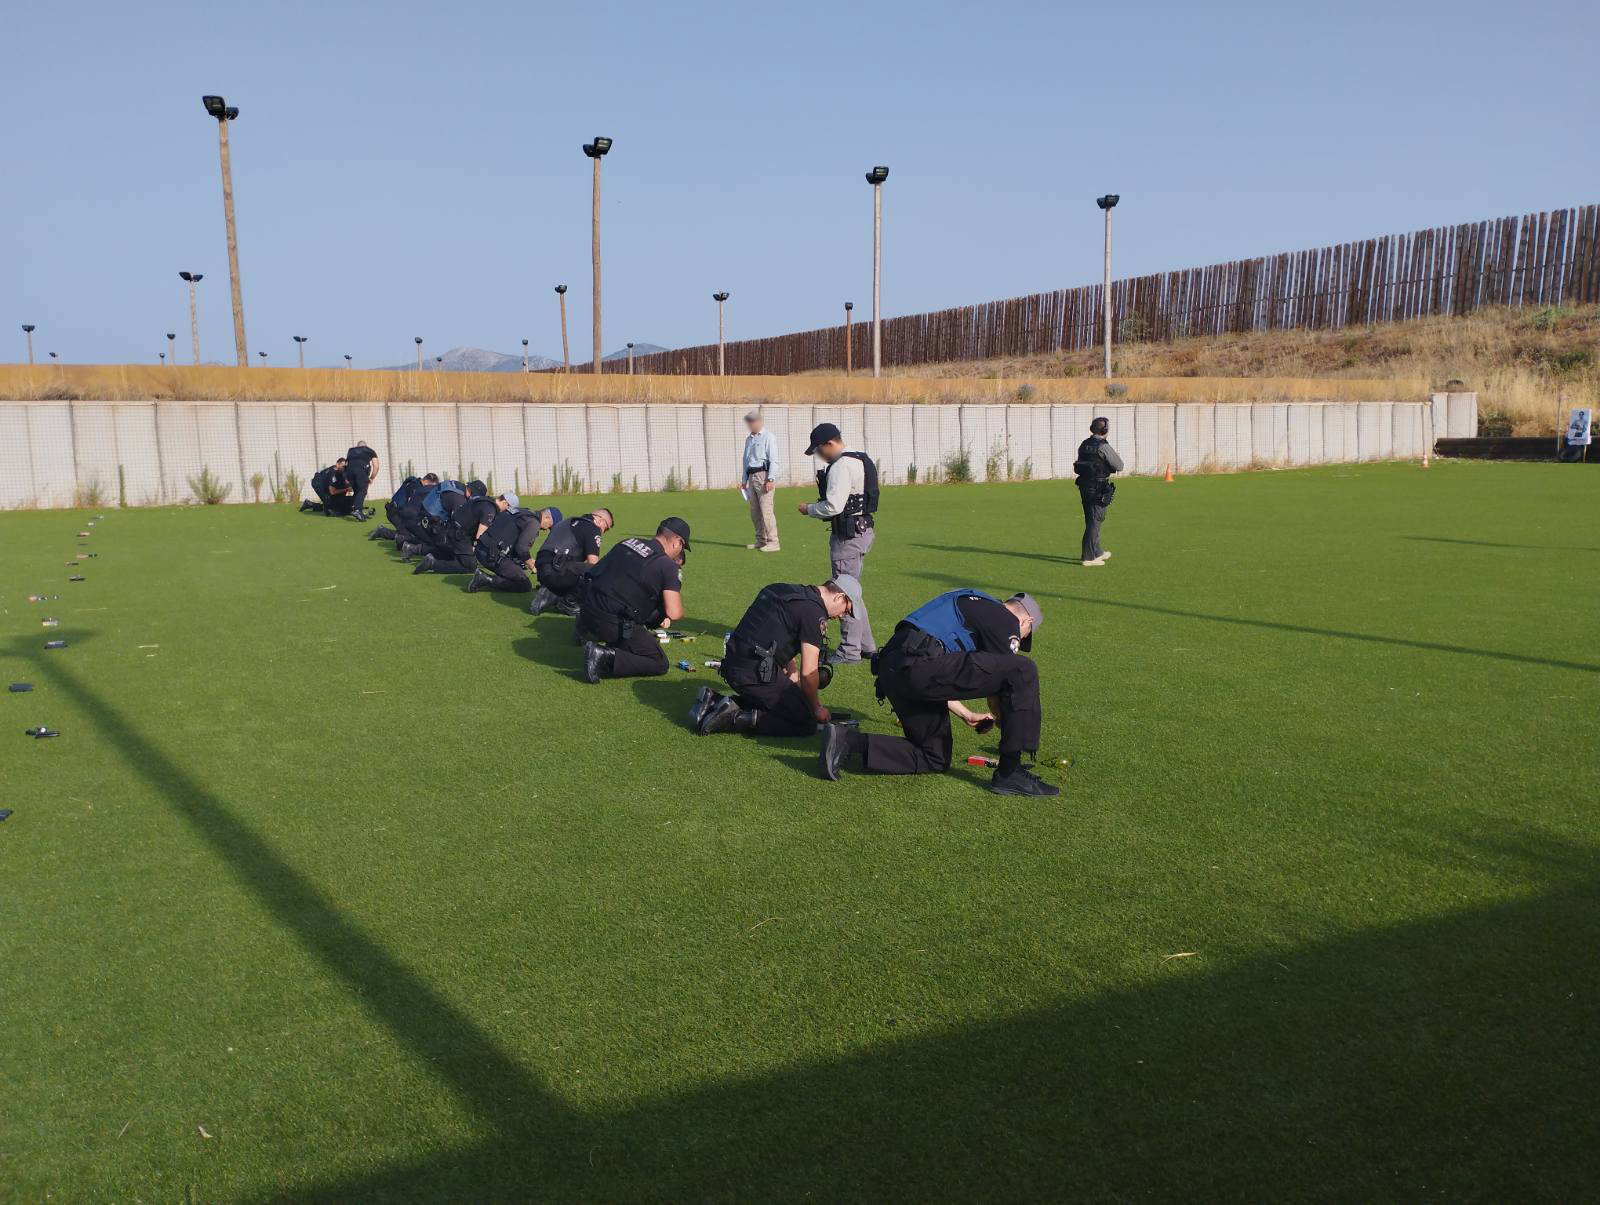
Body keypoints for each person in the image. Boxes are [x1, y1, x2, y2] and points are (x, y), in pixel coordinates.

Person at [819, 588, 1058, 797]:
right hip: (918, 665)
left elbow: (938, 675)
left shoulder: (972, 601)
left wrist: (966, 714)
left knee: (934, 756)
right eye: (1025, 635)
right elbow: (1002, 688)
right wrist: (1009, 730)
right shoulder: (1004, 618)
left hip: (895, 670)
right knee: (1023, 669)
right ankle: (1010, 771)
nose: (1020, 639)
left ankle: (846, 741)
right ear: (1026, 621)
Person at [689, 575, 865, 737]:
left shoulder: (784, 589)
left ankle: (714, 702)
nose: (842, 616)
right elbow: (809, 673)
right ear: (839, 597)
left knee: (791, 701)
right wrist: (816, 708)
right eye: (846, 610)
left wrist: (791, 670)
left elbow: (773, 634)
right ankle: (736, 716)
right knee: (806, 720)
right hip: (755, 674)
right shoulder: (814, 614)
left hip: (733, 663)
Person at [796, 422, 878, 665]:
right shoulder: (860, 458)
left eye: (820, 450)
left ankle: (849, 651)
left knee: (843, 593)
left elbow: (833, 506)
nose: (820, 456)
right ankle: (865, 646)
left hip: (848, 538)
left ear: (830, 443)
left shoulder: (841, 465)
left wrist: (809, 509)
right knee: (854, 591)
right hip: (863, 531)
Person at [576, 518, 690, 682]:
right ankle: (603, 657)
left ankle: (584, 629)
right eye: (682, 547)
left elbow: (594, 572)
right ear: (677, 542)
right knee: (659, 663)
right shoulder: (667, 565)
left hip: (586, 611)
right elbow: (674, 613)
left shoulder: (627, 542)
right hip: (612, 623)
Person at [529, 508, 614, 616]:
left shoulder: (567, 521)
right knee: (597, 572)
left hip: (542, 569)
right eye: (606, 528)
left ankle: (549, 590)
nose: (603, 532)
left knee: (577, 568)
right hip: (556, 570)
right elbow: (593, 563)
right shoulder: (592, 527)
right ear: (601, 521)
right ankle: (568, 602)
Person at [466, 498, 562, 593]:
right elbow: (521, 549)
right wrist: (532, 565)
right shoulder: (534, 523)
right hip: (491, 555)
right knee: (524, 584)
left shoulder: (523, 511)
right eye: (550, 526)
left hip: (482, 547)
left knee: (517, 567)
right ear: (547, 518)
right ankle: (484, 579)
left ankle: (494, 576)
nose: (546, 529)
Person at [412, 486, 499, 575]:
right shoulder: (489, 509)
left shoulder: (477, 501)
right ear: (505, 503)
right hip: (457, 534)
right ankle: (432, 563)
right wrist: (475, 547)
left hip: (449, 529)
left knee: (450, 553)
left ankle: (414, 549)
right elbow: (480, 534)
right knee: (469, 566)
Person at [1073, 416, 1123, 567]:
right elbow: (1119, 465)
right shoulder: (1103, 447)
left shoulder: (1084, 444)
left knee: (1092, 519)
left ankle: (1097, 551)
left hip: (1084, 485)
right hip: (1098, 487)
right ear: (1105, 430)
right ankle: (1088, 557)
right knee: (1095, 520)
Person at [401, 479, 481, 559]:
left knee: (435, 541)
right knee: (446, 547)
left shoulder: (458, 485)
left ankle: (408, 544)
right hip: (431, 519)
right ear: (471, 491)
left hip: (424, 511)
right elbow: (457, 522)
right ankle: (412, 549)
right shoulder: (459, 499)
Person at [739, 408, 781, 552]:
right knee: (755, 511)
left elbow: (774, 459)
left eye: (753, 421)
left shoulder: (768, 437)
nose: (750, 424)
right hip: (751, 477)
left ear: (759, 421)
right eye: (749, 422)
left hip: (763, 476)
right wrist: (744, 480)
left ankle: (774, 542)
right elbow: (746, 461)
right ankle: (761, 541)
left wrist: (771, 478)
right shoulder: (749, 439)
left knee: (766, 511)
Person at [371, 473, 439, 541]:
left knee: (410, 532)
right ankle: (382, 532)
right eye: (431, 486)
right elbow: (411, 504)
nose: (430, 489)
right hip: (395, 513)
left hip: (396, 510)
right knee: (409, 535)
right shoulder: (415, 486)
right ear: (427, 482)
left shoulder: (415, 482)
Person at [344, 441, 380, 521]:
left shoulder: (350, 451)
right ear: (365, 446)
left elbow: (346, 464)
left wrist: (346, 477)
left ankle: (358, 511)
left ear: (357, 446)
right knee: (363, 491)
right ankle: (357, 510)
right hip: (360, 472)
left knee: (357, 491)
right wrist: (372, 478)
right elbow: (376, 466)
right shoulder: (370, 451)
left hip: (349, 473)